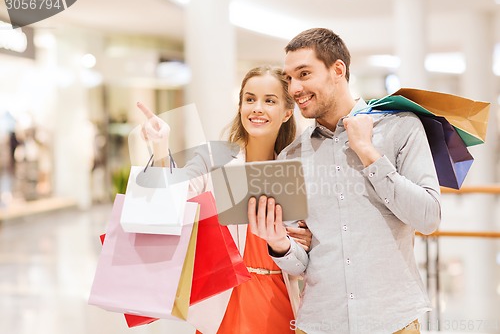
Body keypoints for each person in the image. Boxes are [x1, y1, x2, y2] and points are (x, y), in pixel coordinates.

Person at [247, 28, 441, 334]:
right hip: (318, 324)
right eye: (289, 78)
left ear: (338, 70)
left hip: (393, 322)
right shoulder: (291, 157)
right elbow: (301, 264)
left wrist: (369, 153)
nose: (294, 88)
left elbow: (428, 218)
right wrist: (278, 243)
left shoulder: (401, 128)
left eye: (304, 74)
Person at [138, 65, 312, 334]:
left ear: (288, 111)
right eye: (250, 99)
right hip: (223, 303)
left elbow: (311, 246)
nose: (257, 108)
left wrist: (309, 238)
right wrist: (161, 147)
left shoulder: (299, 167)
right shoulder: (214, 156)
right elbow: (172, 198)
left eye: (270, 101)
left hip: (278, 302)